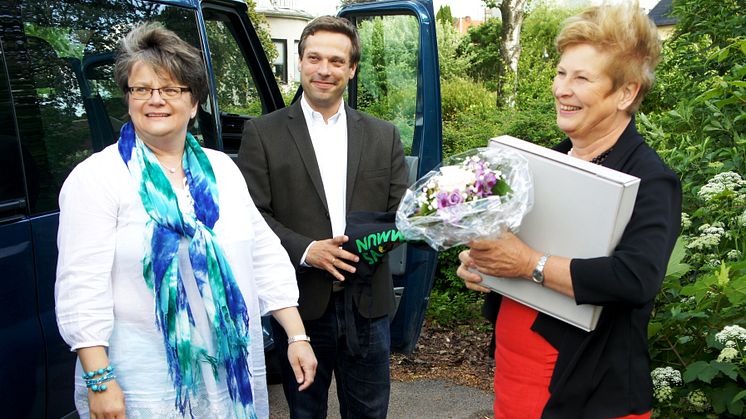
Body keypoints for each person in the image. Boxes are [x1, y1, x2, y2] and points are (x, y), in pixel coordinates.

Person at [55, 23, 316, 419]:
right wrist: (99, 380)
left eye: (171, 89)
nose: (155, 100)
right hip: (143, 382)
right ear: (127, 99)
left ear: (193, 103)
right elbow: (80, 286)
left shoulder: (221, 170)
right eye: (141, 89)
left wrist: (296, 334)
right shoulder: (97, 178)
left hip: (230, 376)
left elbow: (263, 254)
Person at [457, 3, 682, 418]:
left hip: (587, 394)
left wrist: (527, 263)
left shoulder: (651, 179)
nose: (563, 89)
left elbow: (635, 280)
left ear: (626, 92)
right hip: (515, 372)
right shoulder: (543, 163)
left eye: (582, 78)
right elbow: (518, 251)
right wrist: (484, 265)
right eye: (561, 73)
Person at [237, 15, 408, 419]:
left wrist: (367, 245)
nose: (324, 70)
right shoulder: (263, 133)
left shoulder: (384, 135)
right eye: (314, 58)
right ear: (300, 62)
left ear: (351, 69)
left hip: (368, 304)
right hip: (299, 304)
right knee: (305, 412)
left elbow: (404, 212)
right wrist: (307, 249)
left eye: (336, 60)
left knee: (369, 413)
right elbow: (251, 214)